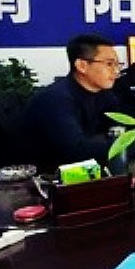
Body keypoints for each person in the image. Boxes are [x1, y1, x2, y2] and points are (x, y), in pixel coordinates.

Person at [24, 33, 123, 170]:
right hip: (44, 175)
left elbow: (117, 132)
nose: (116, 71)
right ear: (82, 66)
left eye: (118, 64)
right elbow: (76, 151)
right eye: (109, 64)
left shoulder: (107, 96)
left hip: (88, 170)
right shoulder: (56, 98)